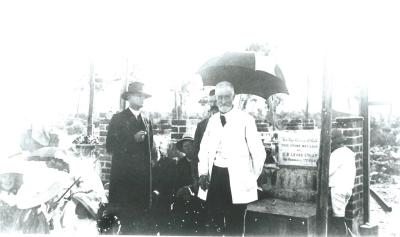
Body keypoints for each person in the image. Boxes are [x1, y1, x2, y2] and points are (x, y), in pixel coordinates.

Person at [197, 81, 266, 236]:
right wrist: (203, 173)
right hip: (214, 177)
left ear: (233, 97)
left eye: (226, 97)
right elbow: (204, 150)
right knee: (214, 222)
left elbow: (258, 153)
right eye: (219, 97)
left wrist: (249, 178)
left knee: (235, 223)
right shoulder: (212, 121)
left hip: (237, 180)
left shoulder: (246, 120)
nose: (222, 101)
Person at [105, 81, 156, 234]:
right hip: (124, 179)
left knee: (140, 218)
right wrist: (131, 139)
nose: (142, 100)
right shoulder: (118, 119)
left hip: (142, 180)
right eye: (139, 96)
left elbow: (150, 148)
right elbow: (110, 146)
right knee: (124, 218)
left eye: (143, 97)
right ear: (130, 97)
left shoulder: (146, 121)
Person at [172, 134, 206, 235]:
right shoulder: (180, 163)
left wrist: (191, 188)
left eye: (190, 145)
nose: (188, 148)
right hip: (184, 196)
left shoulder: (201, 162)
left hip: (199, 195)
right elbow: (176, 181)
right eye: (185, 146)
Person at [328, 129, 356, 236]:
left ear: (335, 142)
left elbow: (327, 171)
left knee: (338, 218)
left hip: (338, 189)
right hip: (348, 188)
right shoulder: (348, 152)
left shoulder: (336, 154)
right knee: (341, 216)